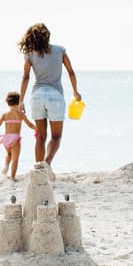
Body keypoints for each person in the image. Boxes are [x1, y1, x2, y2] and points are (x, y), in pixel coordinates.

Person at [17, 23, 81, 180]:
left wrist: (20, 101)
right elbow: (71, 72)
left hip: (37, 96)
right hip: (55, 96)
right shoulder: (60, 50)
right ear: (48, 35)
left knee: (40, 137)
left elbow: (26, 77)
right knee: (56, 137)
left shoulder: (30, 54)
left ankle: (40, 171)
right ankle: (46, 163)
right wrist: (75, 91)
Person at [0, 91, 35, 180]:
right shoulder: (20, 114)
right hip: (15, 139)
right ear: (19, 102)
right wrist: (36, 128)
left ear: (8, 103)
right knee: (15, 159)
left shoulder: (5, 114)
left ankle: (5, 168)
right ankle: (13, 177)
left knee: (9, 154)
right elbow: (29, 124)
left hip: (6, 138)